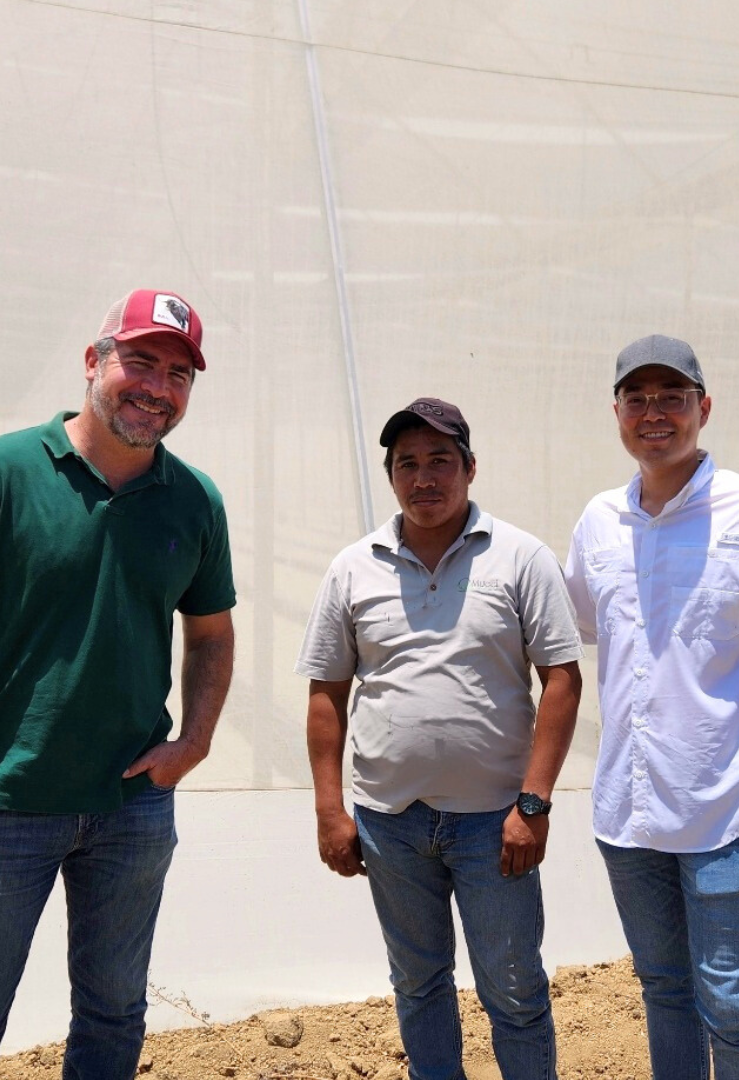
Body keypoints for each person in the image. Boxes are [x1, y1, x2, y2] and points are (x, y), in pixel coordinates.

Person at [0, 289, 236, 1080]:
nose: (158, 386)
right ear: (93, 362)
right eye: (141, 362)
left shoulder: (193, 501)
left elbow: (213, 631)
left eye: (180, 374)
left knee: (115, 1018)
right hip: (0, 810)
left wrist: (193, 741)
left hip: (131, 810)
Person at [564, 334, 739, 1079]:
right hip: (630, 813)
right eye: (637, 399)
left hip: (729, 809)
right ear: (616, 412)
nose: (654, 414)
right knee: (664, 990)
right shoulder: (598, 523)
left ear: (703, 408)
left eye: (672, 398)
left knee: (731, 1001)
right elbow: (572, 628)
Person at [297, 398, 584, 1080]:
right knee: (418, 984)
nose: (425, 478)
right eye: (408, 465)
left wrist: (534, 805)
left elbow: (563, 681)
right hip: (391, 824)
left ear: (470, 468)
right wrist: (330, 809)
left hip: (496, 826)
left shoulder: (519, 558)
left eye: (440, 462)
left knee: (513, 989)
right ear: (391, 476)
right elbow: (326, 696)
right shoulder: (354, 568)